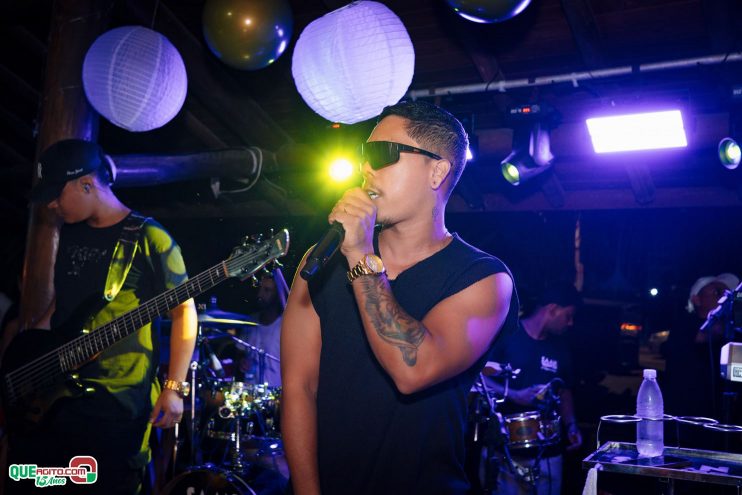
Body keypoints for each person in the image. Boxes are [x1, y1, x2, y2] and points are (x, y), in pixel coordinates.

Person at [281, 100, 519, 495]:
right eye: (364, 155)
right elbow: (299, 387)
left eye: (383, 154)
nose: (366, 168)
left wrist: (360, 256)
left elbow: (413, 371)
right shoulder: (321, 261)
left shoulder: (484, 279)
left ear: (437, 171)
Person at [5, 139, 197, 494]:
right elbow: (62, 304)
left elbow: (184, 311)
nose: (52, 204)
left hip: (116, 403)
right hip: (54, 398)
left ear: (86, 184)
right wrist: (28, 359)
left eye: (56, 194)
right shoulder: (72, 231)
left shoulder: (150, 237)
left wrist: (173, 388)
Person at [484, 283, 583, 495]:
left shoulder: (560, 348)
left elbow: (565, 390)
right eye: (568, 316)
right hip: (507, 450)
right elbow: (479, 378)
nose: (570, 323)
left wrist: (571, 424)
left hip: (549, 451)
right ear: (552, 309)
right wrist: (514, 395)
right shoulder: (508, 336)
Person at [663, 273, 740, 434]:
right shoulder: (684, 324)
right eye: (717, 292)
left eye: (727, 294)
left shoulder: (731, 331)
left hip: (719, 413)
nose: (723, 297)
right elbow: (702, 336)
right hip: (686, 412)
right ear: (696, 299)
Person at [237, 268, 289, 387]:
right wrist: (242, 361)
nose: (260, 294)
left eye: (267, 290)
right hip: (249, 393)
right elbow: (239, 352)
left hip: (275, 393)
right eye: (260, 288)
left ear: (278, 294)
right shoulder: (250, 321)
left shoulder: (286, 326)